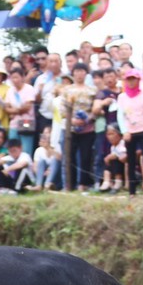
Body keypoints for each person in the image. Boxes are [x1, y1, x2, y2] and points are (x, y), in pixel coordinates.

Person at [116, 68, 143, 194]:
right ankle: (132, 190)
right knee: (131, 161)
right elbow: (120, 116)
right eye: (129, 79)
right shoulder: (122, 97)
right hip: (130, 132)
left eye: (134, 79)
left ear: (138, 80)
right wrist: (124, 131)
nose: (131, 82)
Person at [61, 63, 97, 191]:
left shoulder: (92, 90)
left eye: (82, 71)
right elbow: (62, 109)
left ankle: (83, 183)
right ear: (73, 73)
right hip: (70, 129)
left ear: (86, 73)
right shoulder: (67, 90)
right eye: (77, 71)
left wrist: (87, 119)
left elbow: (95, 108)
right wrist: (72, 120)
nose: (79, 74)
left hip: (87, 128)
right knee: (69, 156)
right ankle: (69, 184)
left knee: (86, 156)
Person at [5, 67, 37, 155]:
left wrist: (14, 111)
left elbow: (27, 107)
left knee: (26, 148)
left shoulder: (29, 89)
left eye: (16, 77)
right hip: (14, 123)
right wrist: (19, 109)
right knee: (13, 146)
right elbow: (7, 108)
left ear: (22, 77)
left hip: (27, 121)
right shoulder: (10, 90)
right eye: (12, 78)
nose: (14, 80)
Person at [30, 127, 60, 191]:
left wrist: (48, 148)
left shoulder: (57, 147)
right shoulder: (39, 150)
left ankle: (47, 184)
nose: (45, 135)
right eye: (44, 133)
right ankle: (38, 185)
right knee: (41, 161)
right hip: (43, 176)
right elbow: (35, 167)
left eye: (47, 133)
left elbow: (59, 159)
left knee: (55, 161)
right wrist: (43, 173)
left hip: (55, 177)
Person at [100, 123, 127, 193]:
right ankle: (107, 182)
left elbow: (122, 155)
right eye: (108, 134)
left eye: (112, 134)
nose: (109, 137)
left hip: (124, 168)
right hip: (113, 169)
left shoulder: (123, 143)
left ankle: (118, 182)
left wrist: (110, 157)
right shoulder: (112, 147)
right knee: (108, 163)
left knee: (115, 160)